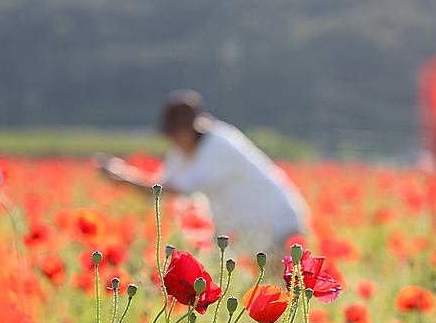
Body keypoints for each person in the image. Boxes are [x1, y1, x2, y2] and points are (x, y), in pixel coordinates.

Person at [95, 90, 312, 254]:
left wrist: (122, 175)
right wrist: (119, 174)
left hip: (281, 227)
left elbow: (168, 190)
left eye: (177, 133)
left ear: (194, 129)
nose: (174, 140)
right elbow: (157, 188)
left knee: (281, 298)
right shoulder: (183, 150)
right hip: (251, 238)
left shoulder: (219, 145)